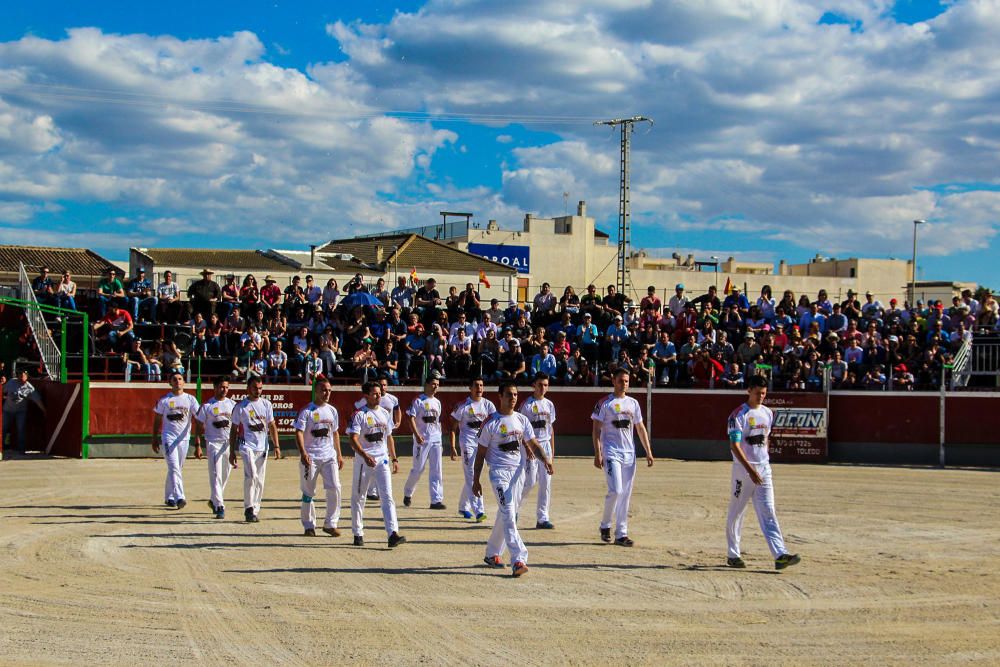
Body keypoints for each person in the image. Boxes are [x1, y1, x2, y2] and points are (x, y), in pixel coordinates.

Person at [474, 379, 554, 577]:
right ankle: (519, 558)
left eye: (515, 395)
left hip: (518, 475)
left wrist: (545, 459)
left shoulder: (521, 419)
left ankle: (492, 553)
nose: (513, 398)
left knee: (505, 513)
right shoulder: (490, 422)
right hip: (499, 474)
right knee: (509, 514)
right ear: (500, 396)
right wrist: (476, 479)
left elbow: (532, 442)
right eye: (509, 394)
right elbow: (481, 453)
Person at [725, 375, 801, 570]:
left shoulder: (768, 413)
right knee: (737, 512)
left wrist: (763, 463)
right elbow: (734, 446)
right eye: (758, 393)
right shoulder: (738, 415)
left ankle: (780, 554)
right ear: (748, 390)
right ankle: (733, 554)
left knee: (768, 510)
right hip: (743, 470)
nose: (761, 396)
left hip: (763, 468)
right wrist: (750, 470)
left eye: (764, 393)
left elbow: (767, 439)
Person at [592, 367, 654, 546]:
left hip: (629, 454)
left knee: (625, 494)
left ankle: (621, 534)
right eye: (621, 380)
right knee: (616, 490)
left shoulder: (633, 403)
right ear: (613, 381)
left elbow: (640, 428)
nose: (624, 384)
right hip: (611, 452)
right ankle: (605, 525)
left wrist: (648, 451)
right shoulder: (604, 403)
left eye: (626, 381)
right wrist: (598, 453)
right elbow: (596, 430)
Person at [346, 381, 406, 547]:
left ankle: (392, 533)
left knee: (387, 496)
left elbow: (388, 437)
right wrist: (364, 455)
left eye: (379, 393)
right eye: (374, 393)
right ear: (366, 396)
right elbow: (352, 438)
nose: (379, 396)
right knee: (359, 496)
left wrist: (394, 458)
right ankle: (358, 532)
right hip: (363, 461)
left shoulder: (386, 414)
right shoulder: (359, 414)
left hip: (382, 459)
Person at [294, 377, 344, 537]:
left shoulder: (332, 410)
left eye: (329, 390)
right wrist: (303, 452)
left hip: (329, 455)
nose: (327, 393)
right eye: (323, 390)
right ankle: (308, 525)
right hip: (311, 457)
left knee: (335, 487)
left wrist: (339, 455)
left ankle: (330, 523)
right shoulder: (307, 411)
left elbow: (335, 433)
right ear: (315, 391)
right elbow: (299, 432)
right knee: (308, 491)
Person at [229, 375, 282, 522]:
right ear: (248, 388)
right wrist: (232, 450)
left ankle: (254, 509)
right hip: (246, 446)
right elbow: (233, 429)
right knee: (251, 475)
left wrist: (276, 445)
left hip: (262, 446)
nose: (258, 391)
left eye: (260, 388)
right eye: (254, 388)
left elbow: (272, 425)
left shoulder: (266, 404)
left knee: (259, 480)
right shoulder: (240, 407)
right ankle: (248, 507)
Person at [449, 376, 496, 522]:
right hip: (467, 444)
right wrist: (452, 446)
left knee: (473, 476)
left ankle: (463, 507)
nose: (479, 388)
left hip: (483, 444)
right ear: (470, 388)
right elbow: (453, 428)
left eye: (481, 385)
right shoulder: (462, 406)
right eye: (476, 385)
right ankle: (479, 510)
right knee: (471, 474)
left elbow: (494, 427)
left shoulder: (489, 406)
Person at [151, 371, 200, 509]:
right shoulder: (164, 400)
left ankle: (169, 497)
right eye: (174, 379)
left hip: (184, 439)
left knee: (176, 468)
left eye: (180, 379)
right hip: (169, 437)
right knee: (174, 467)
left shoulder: (190, 399)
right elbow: (157, 419)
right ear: (170, 383)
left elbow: (199, 417)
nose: (177, 381)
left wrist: (198, 441)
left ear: (184, 382)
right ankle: (180, 497)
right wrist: (154, 437)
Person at [402, 371, 447, 509]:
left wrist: (439, 436)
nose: (435, 387)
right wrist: (416, 434)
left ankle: (436, 500)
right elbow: (410, 417)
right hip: (422, 439)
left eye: (437, 385)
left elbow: (437, 421)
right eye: (433, 384)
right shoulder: (418, 400)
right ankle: (408, 493)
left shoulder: (437, 402)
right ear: (426, 384)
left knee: (436, 469)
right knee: (418, 469)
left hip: (435, 439)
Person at [518, 372, 557, 529]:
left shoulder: (549, 405)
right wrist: (527, 447)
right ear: (533, 385)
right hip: (531, 445)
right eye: (540, 384)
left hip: (545, 445)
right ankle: (513, 509)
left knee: (546, 482)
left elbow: (551, 429)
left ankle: (542, 518)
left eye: (545, 385)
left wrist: (552, 453)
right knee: (530, 481)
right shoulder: (526, 405)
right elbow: (520, 430)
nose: (543, 388)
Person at [194, 376, 236, 519]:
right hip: (213, 443)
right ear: (215, 387)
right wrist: (198, 445)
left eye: (226, 387)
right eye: (221, 387)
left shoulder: (232, 405)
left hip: (228, 444)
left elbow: (237, 427)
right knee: (216, 475)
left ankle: (213, 499)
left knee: (225, 474)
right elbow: (198, 427)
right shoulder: (207, 406)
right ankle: (219, 505)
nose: (224, 390)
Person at [2, 368, 44, 454]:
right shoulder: (12, 382)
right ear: (17, 376)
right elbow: (2, 390)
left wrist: (44, 411)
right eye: (20, 375)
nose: (21, 377)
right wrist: (2, 384)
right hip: (7, 410)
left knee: (21, 429)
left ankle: (21, 449)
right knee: (3, 428)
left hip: (20, 412)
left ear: (27, 377)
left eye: (23, 375)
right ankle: (1, 447)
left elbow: (38, 401)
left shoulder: (30, 388)